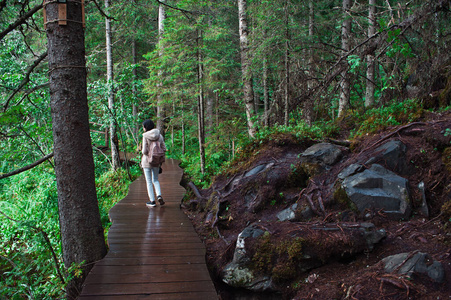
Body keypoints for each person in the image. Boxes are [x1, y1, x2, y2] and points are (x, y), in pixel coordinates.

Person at [141, 119, 166, 207]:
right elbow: (164, 148)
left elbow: (144, 151)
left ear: (146, 127)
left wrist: (147, 153)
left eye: (143, 126)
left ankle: (152, 201)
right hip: (156, 161)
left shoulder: (145, 136)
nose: (143, 128)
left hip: (147, 161)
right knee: (155, 180)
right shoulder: (159, 135)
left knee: (148, 181)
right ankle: (159, 195)